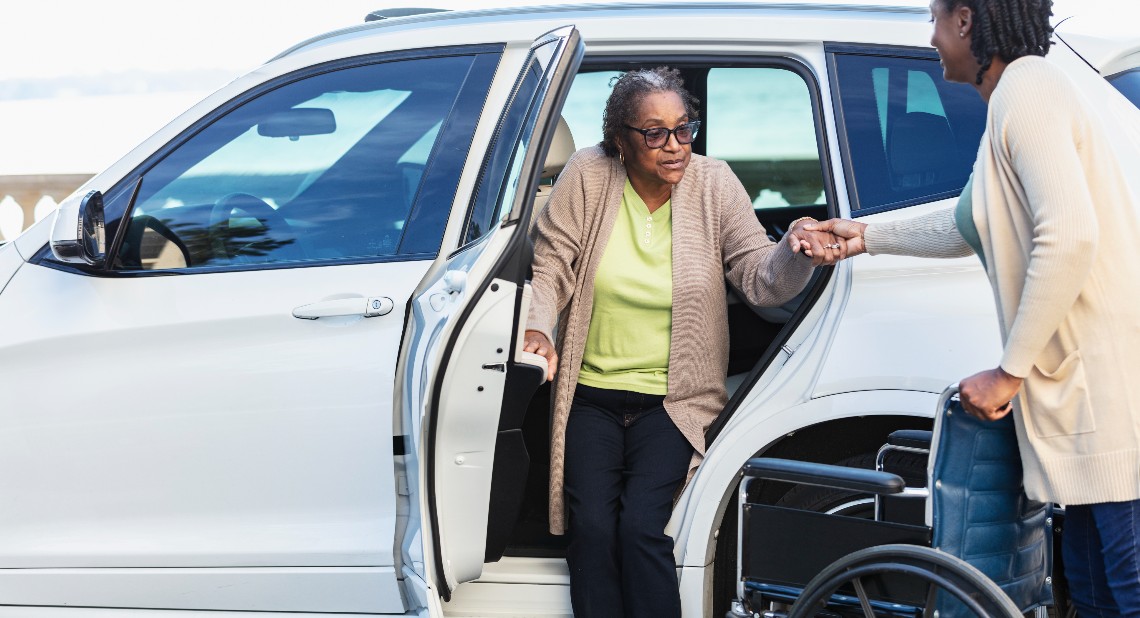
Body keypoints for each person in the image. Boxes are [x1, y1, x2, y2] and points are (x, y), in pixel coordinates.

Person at [801, 0, 1140, 614]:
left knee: (1121, 592)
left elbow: (1069, 235)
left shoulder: (1028, 89)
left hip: (1105, 401)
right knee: (1092, 591)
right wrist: (865, 235)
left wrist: (1009, 372)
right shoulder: (1022, 93)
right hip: (1087, 405)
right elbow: (970, 220)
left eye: (934, 18)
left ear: (965, 21)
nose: (929, 36)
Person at [522, 67, 842, 617]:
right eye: (654, 133)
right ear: (620, 139)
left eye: (683, 130)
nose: (674, 147)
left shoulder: (713, 182)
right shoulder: (588, 175)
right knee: (593, 528)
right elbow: (552, 263)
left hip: (674, 402)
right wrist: (538, 330)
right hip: (590, 394)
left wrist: (793, 249)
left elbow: (760, 278)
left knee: (643, 527)